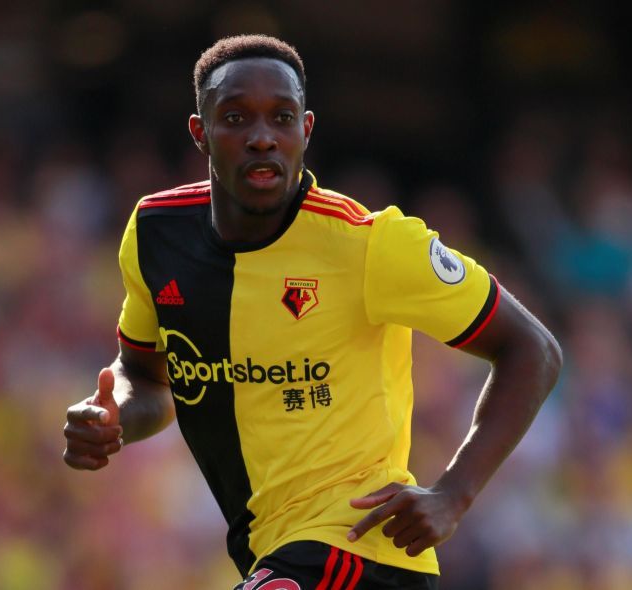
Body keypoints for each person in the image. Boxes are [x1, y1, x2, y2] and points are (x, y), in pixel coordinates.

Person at [63, 34, 562, 589]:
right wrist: (112, 421)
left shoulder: (372, 244)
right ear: (200, 134)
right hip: (271, 555)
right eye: (235, 118)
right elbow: (146, 378)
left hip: (359, 552)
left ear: (306, 130)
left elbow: (532, 348)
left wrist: (454, 492)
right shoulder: (156, 235)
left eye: (281, 118)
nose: (261, 139)